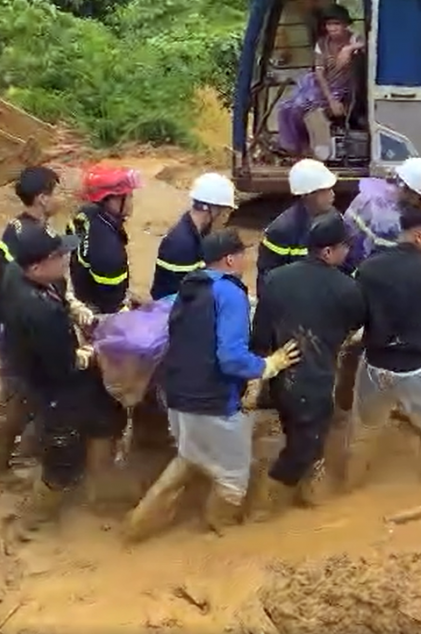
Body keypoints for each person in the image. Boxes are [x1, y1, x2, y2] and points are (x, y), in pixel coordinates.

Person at [124, 230, 301, 543]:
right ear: (230, 259)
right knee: (233, 477)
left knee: (189, 457)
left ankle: (135, 527)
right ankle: (220, 533)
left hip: (177, 398)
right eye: (243, 254)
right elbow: (231, 358)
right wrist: (268, 365)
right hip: (212, 403)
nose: (248, 259)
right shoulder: (231, 295)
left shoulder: (189, 287)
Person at [2, 223, 128, 530]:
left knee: (108, 416)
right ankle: (36, 520)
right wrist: (95, 351)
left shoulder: (23, 273)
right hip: (53, 386)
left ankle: (98, 490)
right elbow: (66, 365)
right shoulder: (38, 312)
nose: (65, 260)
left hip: (63, 371)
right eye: (58, 256)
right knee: (62, 459)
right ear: (37, 266)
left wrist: (75, 307)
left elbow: (61, 291)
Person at [0, 167, 96, 486]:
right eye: (57, 192)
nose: (62, 198)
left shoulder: (33, 230)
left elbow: (51, 279)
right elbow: (23, 291)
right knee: (16, 396)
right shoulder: (22, 238)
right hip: (12, 325)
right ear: (43, 199)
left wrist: (71, 303)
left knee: (30, 393)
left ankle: (24, 451)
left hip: (14, 320)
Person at [251, 212, 365, 518]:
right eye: (345, 247)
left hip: (279, 376)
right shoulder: (347, 289)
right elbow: (354, 328)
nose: (348, 252)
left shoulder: (276, 279)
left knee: (296, 432)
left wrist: (264, 367)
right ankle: (265, 505)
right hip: (315, 381)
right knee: (306, 445)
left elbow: (260, 334)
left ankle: (303, 493)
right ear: (328, 251)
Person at [346, 207, 421, 488]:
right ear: (419, 236)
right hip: (416, 368)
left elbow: (355, 315)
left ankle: (349, 485)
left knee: (364, 429)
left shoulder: (369, 267)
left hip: (375, 364)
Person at [275, 4, 364, 158]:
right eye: (329, 24)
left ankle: (302, 147)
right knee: (285, 107)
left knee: (298, 108)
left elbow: (372, 43)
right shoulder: (322, 43)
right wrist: (331, 100)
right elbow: (319, 72)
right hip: (322, 86)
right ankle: (291, 147)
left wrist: (348, 49)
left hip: (343, 88)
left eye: (337, 24)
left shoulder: (354, 38)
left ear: (345, 24)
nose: (333, 28)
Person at [256, 159, 339, 297]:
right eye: (326, 190)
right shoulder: (282, 230)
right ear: (309, 194)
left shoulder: (335, 219)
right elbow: (268, 281)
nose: (333, 195)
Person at [150, 173, 236, 301]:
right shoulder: (181, 245)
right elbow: (183, 297)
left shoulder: (197, 232)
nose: (226, 217)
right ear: (211, 209)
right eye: (225, 211)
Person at [67, 165, 142, 314]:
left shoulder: (84, 214)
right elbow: (112, 302)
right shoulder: (110, 252)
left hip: (81, 287)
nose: (132, 201)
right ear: (112, 200)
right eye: (129, 195)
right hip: (99, 308)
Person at [342, 157, 421, 273]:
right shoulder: (385, 214)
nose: (417, 200)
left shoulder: (370, 194)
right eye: (416, 195)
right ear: (405, 187)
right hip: (363, 268)